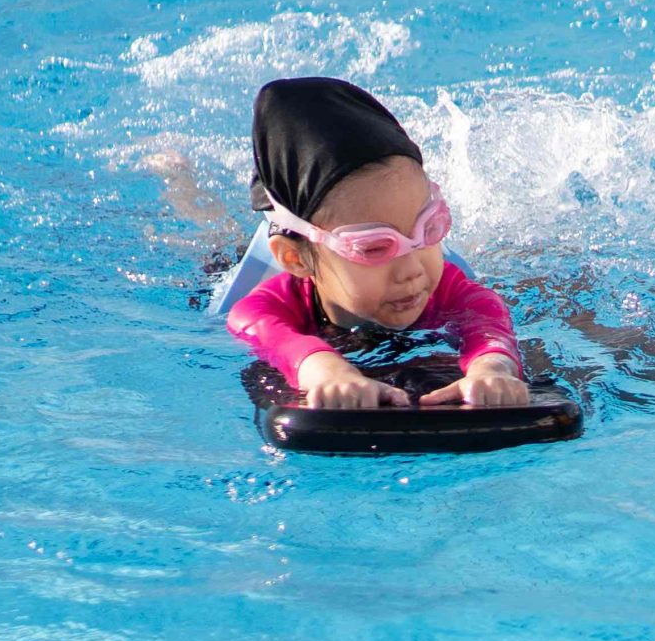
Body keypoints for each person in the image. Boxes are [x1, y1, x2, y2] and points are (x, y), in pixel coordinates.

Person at [225, 77, 532, 412]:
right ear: (295, 258)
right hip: (247, 269)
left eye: (429, 229)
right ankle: (186, 190)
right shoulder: (273, 303)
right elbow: (254, 325)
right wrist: (325, 370)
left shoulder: (446, 285)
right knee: (221, 244)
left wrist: (491, 368)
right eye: (374, 248)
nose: (413, 270)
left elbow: (486, 317)